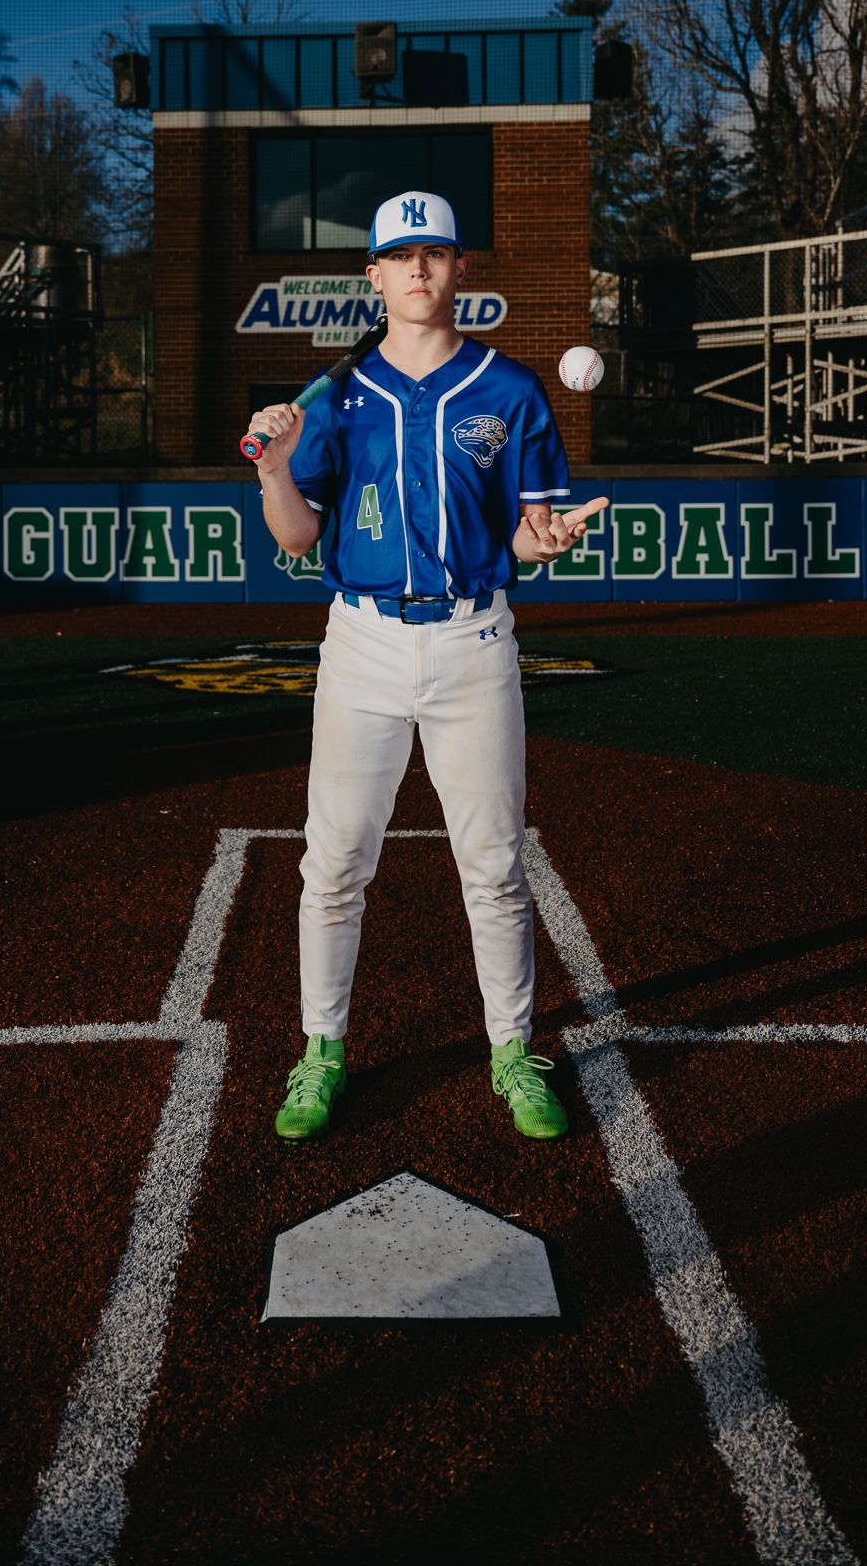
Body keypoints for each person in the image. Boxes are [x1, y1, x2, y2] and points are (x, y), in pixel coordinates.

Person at [243, 190, 608, 1143]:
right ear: (372, 275)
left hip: (472, 640)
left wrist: (546, 540)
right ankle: (321, 1050)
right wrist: (274, 470)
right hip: (359, 642)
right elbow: (297, 537)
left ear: (459, 270)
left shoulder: (509, 389)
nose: (416, 269)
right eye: (399, 255)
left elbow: (526, 537)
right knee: (332, 866)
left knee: (491, 867)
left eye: (434, 254)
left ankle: (511, 1050)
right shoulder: (335, 396)